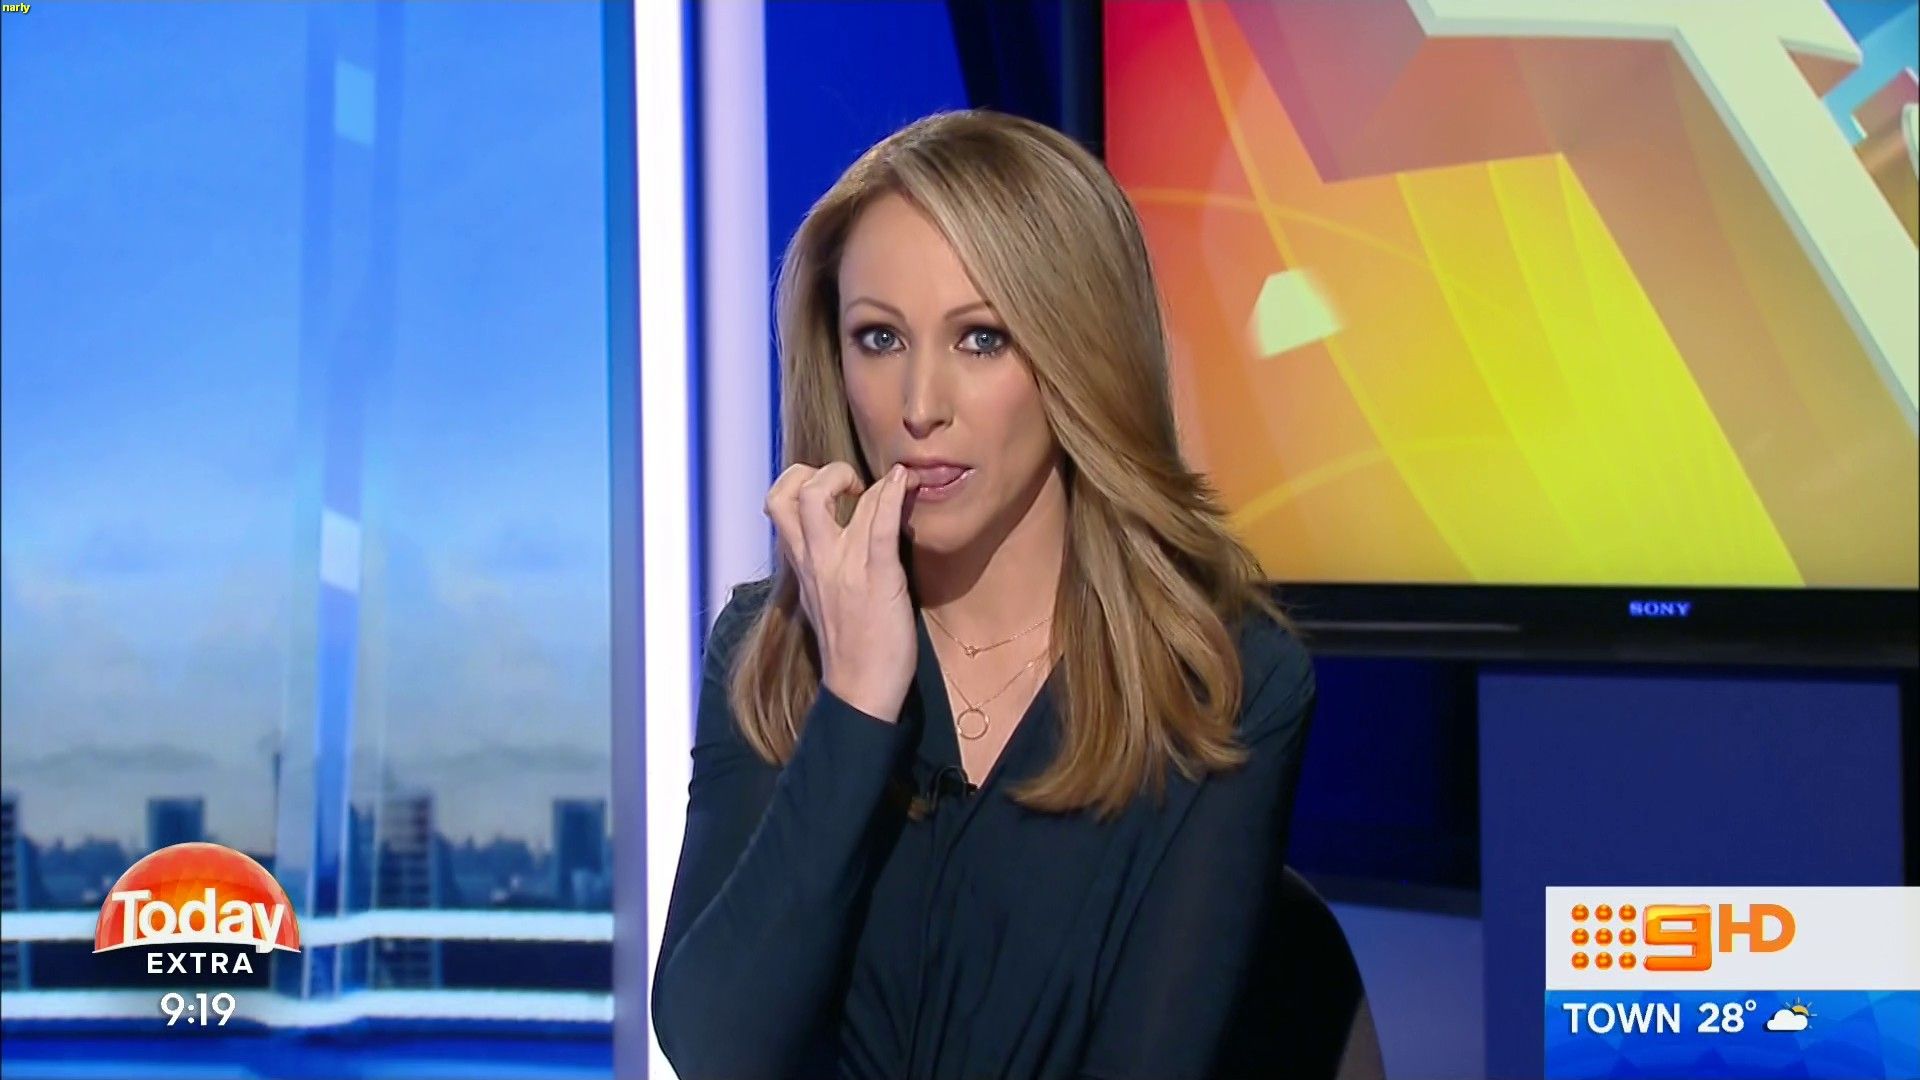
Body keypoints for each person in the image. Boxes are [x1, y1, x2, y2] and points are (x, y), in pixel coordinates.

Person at [651, 109, 1318, 1080]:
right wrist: (856, 700)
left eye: (981, 338)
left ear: (1078, 353)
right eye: (879, 338)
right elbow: (716, 1049)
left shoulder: (1221, 682)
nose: (920, 405)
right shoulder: (773, 647)